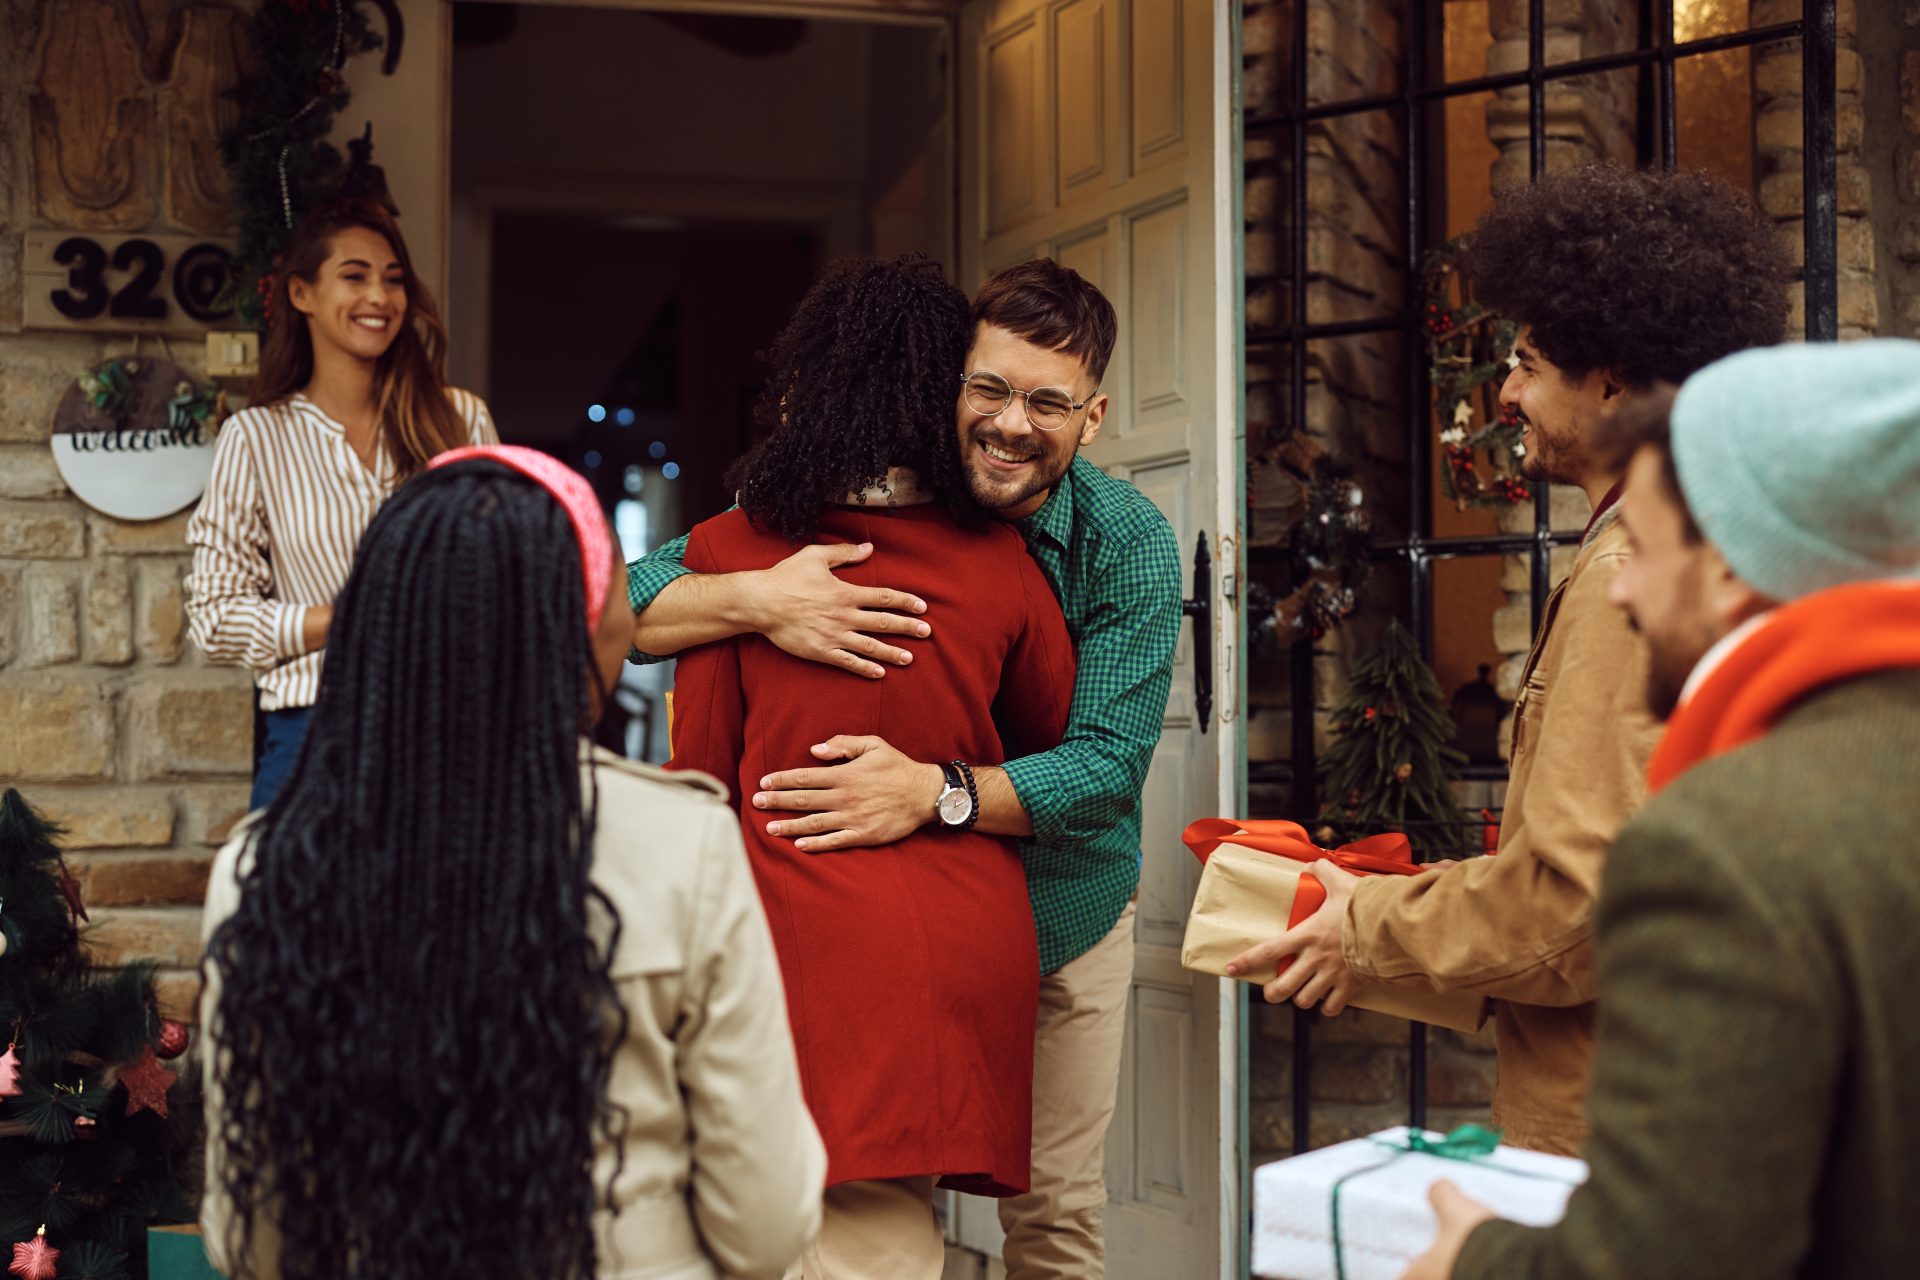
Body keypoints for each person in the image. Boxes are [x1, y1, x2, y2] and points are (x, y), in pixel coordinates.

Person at [629, 259, 1182, 1278]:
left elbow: (1101, 766)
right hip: (935, 917)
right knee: (880, 1191)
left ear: (1092, 417)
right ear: (942, 384)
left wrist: (936, 787)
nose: (1012, 424)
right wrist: (760, 597)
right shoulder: (783, 544)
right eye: (990, 390)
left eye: (1047, 403)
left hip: (1067, 894)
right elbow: (621, 602)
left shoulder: (1128, 543)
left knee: (1051, 1212)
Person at [1228, 164, 1794, 1155]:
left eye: (1529, 362)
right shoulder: (1695, 547)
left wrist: (1366, 921)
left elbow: (1573, 908)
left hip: (1613, 1133)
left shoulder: (1633, 576)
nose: (1508, 390)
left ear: (1611, 383)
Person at [199, 446, 825, 1280]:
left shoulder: (261, 867)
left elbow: (251, 1239)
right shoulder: (686, 846)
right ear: (586, 631)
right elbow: (766, 1227)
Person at [1404, 339, 1920, 1279]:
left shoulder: (1725, 845)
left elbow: (1659, 1259)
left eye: (1645, 543)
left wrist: (1468, 1260)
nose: (1625, 586)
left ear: (1731, 562)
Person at [186, 198, 498, 812]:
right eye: (355, 276)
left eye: (393, 280)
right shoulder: (255, 437)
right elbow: (215, 618)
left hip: (449, 727)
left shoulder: (461, 418)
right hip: (311, 730)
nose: (379, 298)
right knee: (291, 908)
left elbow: (503, 571)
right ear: (300, 293)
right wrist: (348, 615)